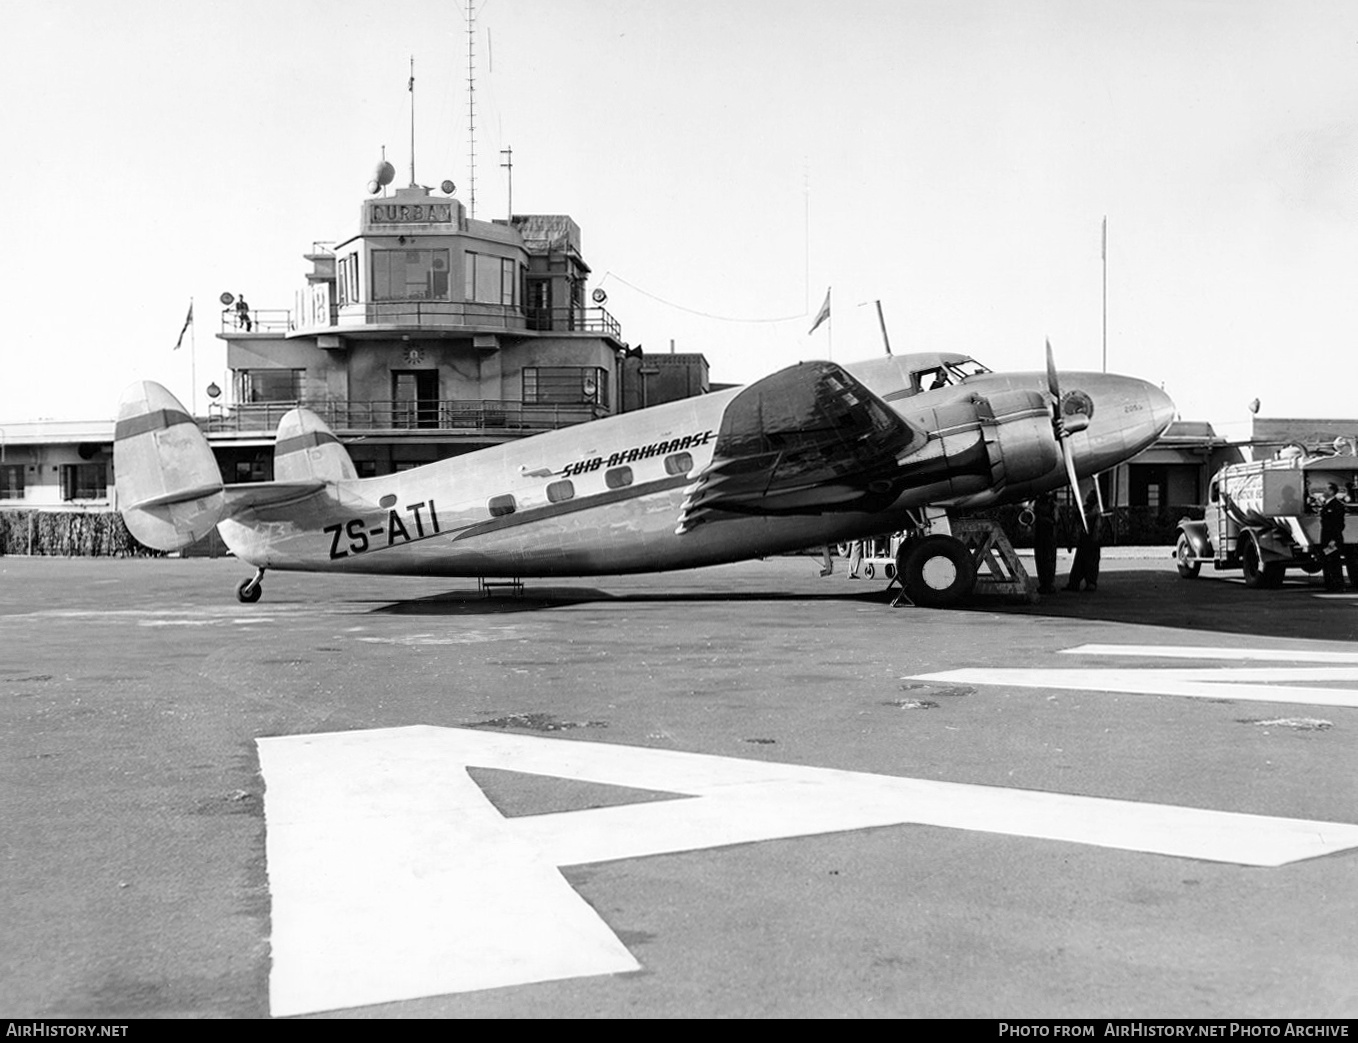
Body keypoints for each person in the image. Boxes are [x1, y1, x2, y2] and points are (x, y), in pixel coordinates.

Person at [1064, 489, 1103, 592]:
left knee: (1092, 563)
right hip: (1084, 540)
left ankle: (1091, 582)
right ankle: (1074, 582)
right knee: (1079, 563)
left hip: (1092, 541)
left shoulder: (1096, 510)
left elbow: (1097, 526)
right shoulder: (1084, 509)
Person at [1319, 482, 1347, 592]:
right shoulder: (1327, 505)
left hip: (1332, 540)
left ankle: (1337, 585)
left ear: (1331, 491)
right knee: (1327, 562)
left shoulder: (1336, 506)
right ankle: (1330, 585)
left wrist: (1333, 540)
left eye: (1326, 489)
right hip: (1327, 539)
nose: (1324, 491)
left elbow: (1338, 525)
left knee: (1334, 562)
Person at [1033, 493, 1058, 594]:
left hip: (1047, 533)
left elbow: (1055, 519)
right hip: (1043, 533)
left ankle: (1047, 583)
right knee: (1043, 558)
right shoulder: (1048, 503)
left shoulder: (1050, 504)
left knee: (1046, 558)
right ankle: (1045, 583)